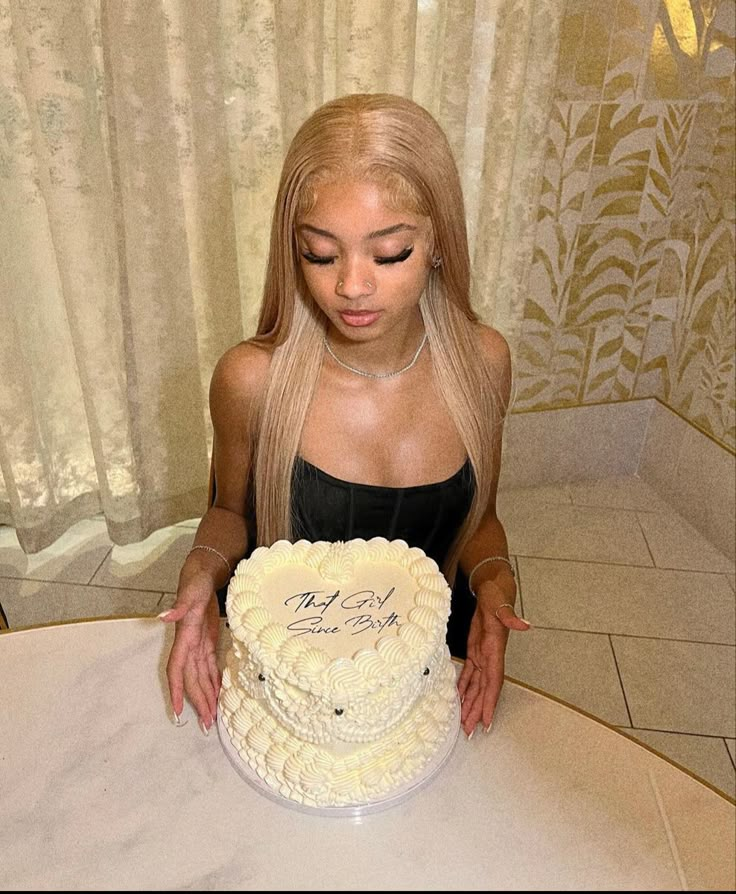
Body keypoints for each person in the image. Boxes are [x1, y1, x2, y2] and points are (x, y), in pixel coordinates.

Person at [160, 92, 530, 741]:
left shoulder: (484, 364)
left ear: (438, 240)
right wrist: (198, 573)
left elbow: (480, 522)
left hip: (420, 667)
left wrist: (497, 585)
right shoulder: (253, 380)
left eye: (389, 254)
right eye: (321, 254)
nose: (352, 286)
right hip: (293, 679)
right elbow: (228, 516)